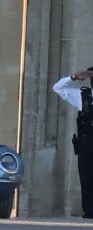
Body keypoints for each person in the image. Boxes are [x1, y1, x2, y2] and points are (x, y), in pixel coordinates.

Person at [53, 67, 93, 219]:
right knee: (87, 176)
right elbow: (57, 87)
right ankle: (90, 211)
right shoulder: (82, 96)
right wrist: (74, 77)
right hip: (88, 140)